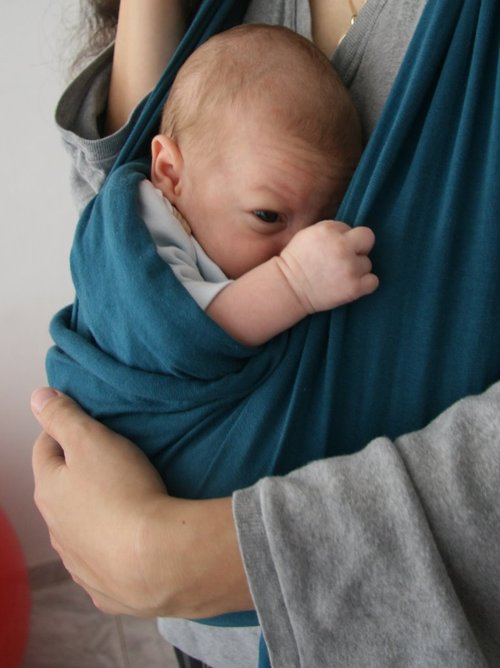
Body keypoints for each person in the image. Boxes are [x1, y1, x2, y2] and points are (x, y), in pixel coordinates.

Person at [33, 1, 500, 667]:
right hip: (197, 635)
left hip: (373, 624)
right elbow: (137, 247)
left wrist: (185, 554)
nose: (306, 240)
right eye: (268, 214)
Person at [144, 24, 377, 347]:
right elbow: (188, 336)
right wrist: (296, 282)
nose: (305, 245)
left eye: (326, 221)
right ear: (169, 172)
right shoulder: (147, 227)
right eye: (268, 216)